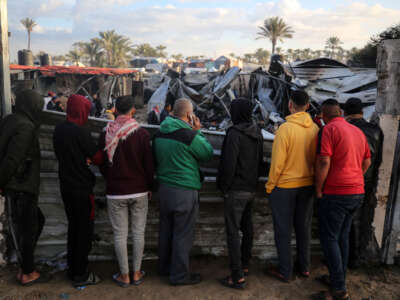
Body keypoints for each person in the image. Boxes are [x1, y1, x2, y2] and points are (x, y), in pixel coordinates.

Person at [314, 99, 371, 300]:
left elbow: (323, 161)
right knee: (342, 237)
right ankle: (339, 279)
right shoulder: (357, 131)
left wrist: (319, 189)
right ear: (340, 112)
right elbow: (367, 160)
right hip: (357, 192)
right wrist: (355, 178)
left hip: (337, 193)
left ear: (324, 115)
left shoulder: (329, 130)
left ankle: (338, 289)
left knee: (330, 238)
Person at [153, 98, 213, 286]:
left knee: (166, 231)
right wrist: (198, 131)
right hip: (184, 191)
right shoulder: (189, 135)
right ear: (189, 115)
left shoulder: (160, 132)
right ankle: (179, 276)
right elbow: (207, 153)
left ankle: (164, 268)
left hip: (164, 189)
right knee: (182, 235)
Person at [98, 96, 154, 287]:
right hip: (139, 191)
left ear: (115, 110)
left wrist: (112, 179)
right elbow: (149, 166)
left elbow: (103, 165)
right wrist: (149, 186)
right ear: (132, 111)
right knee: (138, 233)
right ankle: (137, 273)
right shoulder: (141, 134)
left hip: (115, 191)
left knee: (120, 235)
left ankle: (124, 275)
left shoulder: (106, 132)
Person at [265, 90, 319, 282]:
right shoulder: (314, 129)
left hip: (285, 187)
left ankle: (285, 271)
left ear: (290, 105)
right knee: (303, 228)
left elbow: (277, 163)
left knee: (283, 230)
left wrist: (270, 186)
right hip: (307, 185)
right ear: (307, 105)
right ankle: (304, 268)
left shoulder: (285, 129)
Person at [0, 90, 50, 286]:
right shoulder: (26, 126)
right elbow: (13, 158)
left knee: (34, 222)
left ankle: (25, 266)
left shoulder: (10, 120)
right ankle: (28, 272)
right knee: (28, 229)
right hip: (22, 185)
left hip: (17, 185)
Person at [53, 94, 103, 287]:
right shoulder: (80, 132)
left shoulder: (58, 129)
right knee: (83, 232)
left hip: (65, 186)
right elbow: (97, 157)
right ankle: (80, 274)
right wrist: (90, 157)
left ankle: (72, 269)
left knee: (73, 229)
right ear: (82, 111)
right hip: (82, 188)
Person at [217, 98, 263, 289]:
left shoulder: (234, 134)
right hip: (251, 188)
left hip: (236, 190)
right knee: (247, 228)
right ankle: (244, 266)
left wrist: (224, 187)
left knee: (233, 232)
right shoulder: (257, 133)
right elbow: (260, 161)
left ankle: (237, 277)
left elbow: (229, 164)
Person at [343, 98, 384, 268]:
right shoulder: (376, 130)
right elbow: (379, 159)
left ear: (346, 112)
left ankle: (349, 259)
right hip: (368, 181)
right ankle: (358, 256)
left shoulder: (348, 130)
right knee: (363, 220)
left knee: (348, 222)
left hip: (350, 181)